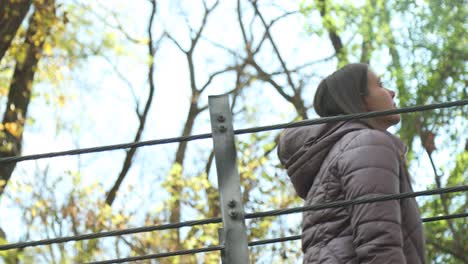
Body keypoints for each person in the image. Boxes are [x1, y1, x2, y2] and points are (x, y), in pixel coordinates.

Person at [277, 63, 426, 263]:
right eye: (380, 85)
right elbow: (379, 242)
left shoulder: (342, 151)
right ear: (360, 99)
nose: (392, 92)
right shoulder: (368, 143)